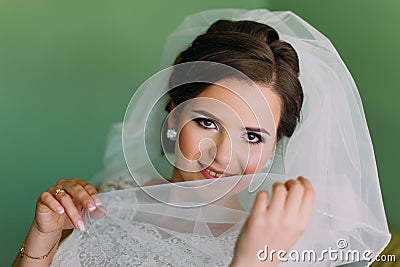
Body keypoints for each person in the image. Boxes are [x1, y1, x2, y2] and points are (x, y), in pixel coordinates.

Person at [12, 9, 390, 267]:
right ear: (174, 113)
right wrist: (44, 236)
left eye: (254, 136)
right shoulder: (115, 194)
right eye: (207, 123)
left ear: (278, 144)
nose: (223, 156)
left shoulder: (286, 249)